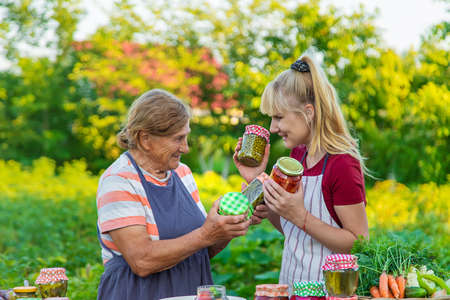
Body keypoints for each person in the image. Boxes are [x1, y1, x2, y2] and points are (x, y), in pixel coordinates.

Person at [96, 89, 251, 300]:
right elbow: (141, 260)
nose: (186, 148)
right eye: (178, 139)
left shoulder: (182, 173)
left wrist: (226, 228)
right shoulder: (119, 180)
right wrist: (206, 234)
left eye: (186, 137)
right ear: (145, 139)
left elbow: (200, 250)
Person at [233, 55, 369, 285]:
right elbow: (294, 231)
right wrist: (259, 184)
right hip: (291, 284)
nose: (273, 128)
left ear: (308, 112)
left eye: (278, 117)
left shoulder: (342, 164)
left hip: (329, 291)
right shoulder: (298, 156)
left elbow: (358, 242)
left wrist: (298, 215)